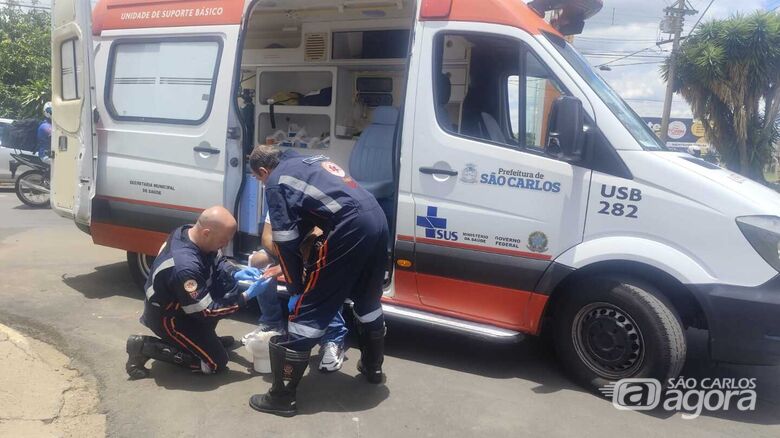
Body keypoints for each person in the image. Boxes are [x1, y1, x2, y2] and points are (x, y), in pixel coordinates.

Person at [247, 145, 389, 417]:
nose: (261, 182)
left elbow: (285, 241)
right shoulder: (305, 159)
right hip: (376, 219)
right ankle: (373, 368)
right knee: (367, 299)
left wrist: (296, 287)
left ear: (264, 171)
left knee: (308, 310)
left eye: (258, 178)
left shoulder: (275, 182)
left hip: (350, 226)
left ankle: (281, 397)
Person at [125, 206, 272, 379]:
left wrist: (234, 272)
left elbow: (216, 259)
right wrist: (246, 296)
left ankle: (205, 340)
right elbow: (206, 311)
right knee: (215, 363)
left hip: (186, 305)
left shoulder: (190, 232)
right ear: (207, 233)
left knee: (227, 286)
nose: (225, 245)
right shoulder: (185, 267)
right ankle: (145, 347)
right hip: (170, 317)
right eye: (223, 241)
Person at [244, 203, 349, 373]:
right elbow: (266, 237)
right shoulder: (278, 200)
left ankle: (333, 339)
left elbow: (318, 235)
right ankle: (271, 324)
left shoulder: (311, 200)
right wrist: (287, 262)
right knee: (258, 261)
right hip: (289, 254)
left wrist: (295, 264)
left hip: (313, 251)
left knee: (323, 270)